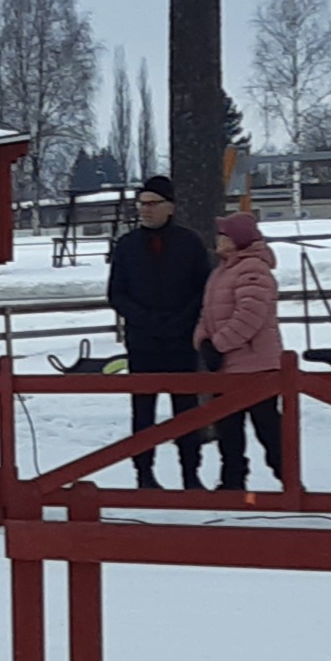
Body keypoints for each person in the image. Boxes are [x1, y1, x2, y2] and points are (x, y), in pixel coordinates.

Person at [104, 174, 212, 489]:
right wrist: (145, 320)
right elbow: (117, 294)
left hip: (181, 342)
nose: (146, 210)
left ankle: (191, 474)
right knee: (143, 413)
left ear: (170, 207)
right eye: (142, 204)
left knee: (186, 412)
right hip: (143, 343)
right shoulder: (126, 245)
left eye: (153, 203)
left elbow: (202, 289)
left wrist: (179, 321)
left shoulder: (189, 242)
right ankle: (144, 474)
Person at [194, 213, 286, 489]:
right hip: (227, 364)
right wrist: (202, 341)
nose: (218, 239)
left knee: (268, 428)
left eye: (223, 234)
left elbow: (250, 315)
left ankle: (289, 479)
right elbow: (207, 313)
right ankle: (233, 481)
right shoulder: (223, 270)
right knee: (228, 428)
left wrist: (218, 344)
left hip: (255, 364)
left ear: (237, 239)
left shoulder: (253, 269)